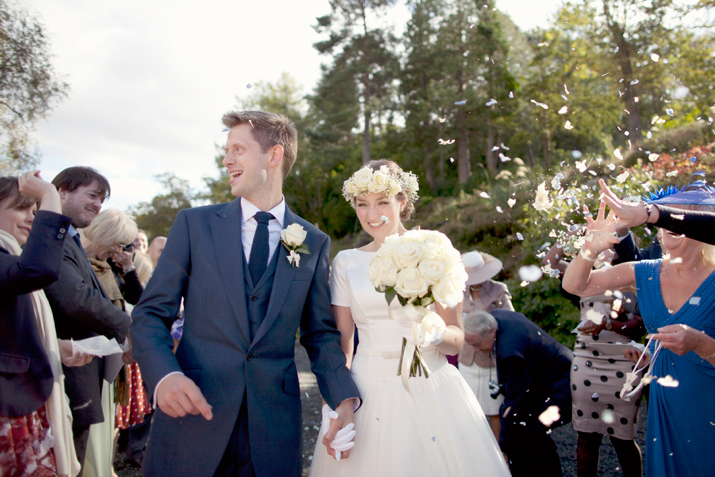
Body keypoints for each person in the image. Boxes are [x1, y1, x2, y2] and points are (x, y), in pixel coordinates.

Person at [130, 111, 360, 477]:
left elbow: (320, 334)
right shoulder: (193, 225)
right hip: (194, 415)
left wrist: (344, 397)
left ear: (274, 155)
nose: (226, 160)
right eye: (226, 151)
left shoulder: (312, 241)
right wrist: (164, 376)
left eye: (238, 149)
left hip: (272, 430)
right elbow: (149, 315)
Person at [309, 160, 510, 477]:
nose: (371, 215)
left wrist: (432, 333)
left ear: (402, 201)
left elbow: (456, 338)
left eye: (382, 202)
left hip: (431, 383)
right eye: (362, 205)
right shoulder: (346, 262)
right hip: (367, 387)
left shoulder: (437, 250)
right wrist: (332, 403)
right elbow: (341, 345)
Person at [562, 186, 715, 477]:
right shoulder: (645, 271)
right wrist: (589, 249)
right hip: (666, 402)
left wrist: (700, 343)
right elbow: (575, 287)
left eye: (682, 215)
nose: (670, 225)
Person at [0, 172, 92, 477]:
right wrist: (51, 196)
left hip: (19, 401)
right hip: (7, 407)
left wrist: (55, 347)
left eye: (35, 210)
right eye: (23, 208)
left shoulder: (10, 255)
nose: (31, 218)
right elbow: (38, 269)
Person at [43, 167, 132, 473]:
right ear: (61, 192)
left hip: (83, 371)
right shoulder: (52, 236)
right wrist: (130, 327)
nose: (98, 204)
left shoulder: (69, 239)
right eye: (92, 195)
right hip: (65, 373)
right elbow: (75, 297)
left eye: (102, 199)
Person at [543, 228, 645, 477]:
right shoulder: (583, 274)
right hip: (586, 362)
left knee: (622, 437)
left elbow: (641, 324)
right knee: (586, 437)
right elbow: (549, 264)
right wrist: (571, 234)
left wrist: (610, 324)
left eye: (609, 243)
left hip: (623, 362)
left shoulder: (633, 275)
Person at [463, 309, 573, 477]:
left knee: (531, 430)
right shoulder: (497, 316)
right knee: (524, 432)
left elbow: (513, 403)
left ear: (491, 331)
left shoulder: (510, 351)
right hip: (541, 378)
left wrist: (504, 447)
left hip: (561, 384)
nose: (476, 349)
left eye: (476, 344)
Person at [80, 209, 147, 477]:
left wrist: (129, 267)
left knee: (108, 420)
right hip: (85, 356)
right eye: (117, 243)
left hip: (111, 359)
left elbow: (138, 300)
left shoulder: (112, 269)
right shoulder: (80, 262)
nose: (118, 249)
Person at [456, 250, 513, 439]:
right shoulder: (458, 289)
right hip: (466, 358)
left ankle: (499, 451)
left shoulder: (498, 289)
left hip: (490, 360)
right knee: (468, 409)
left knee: (494, 409)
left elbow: (510, 320)